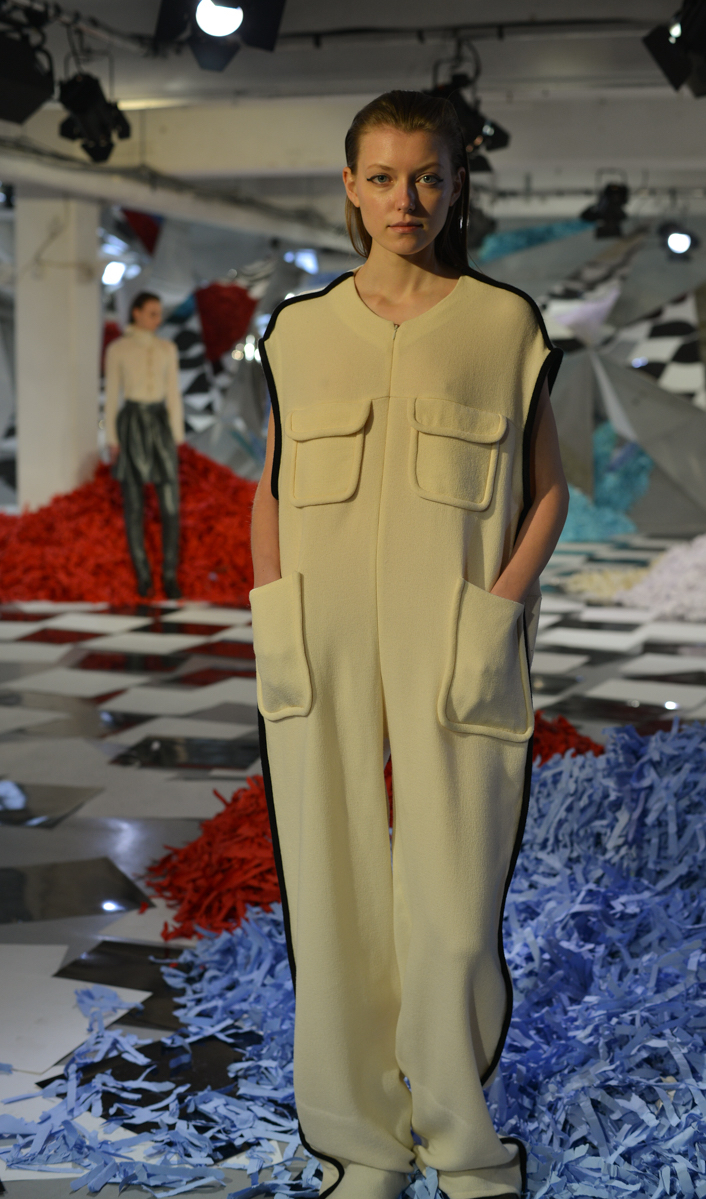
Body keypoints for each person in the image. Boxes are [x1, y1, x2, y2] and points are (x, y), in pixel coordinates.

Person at [250, 91, 569, 1199]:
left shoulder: (503, 325)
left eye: (427, 176)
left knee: (453, 895)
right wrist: (271, 604)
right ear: (349, 186)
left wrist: (500, 607)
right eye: (382, 177)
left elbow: (547, 490)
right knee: (329, 890)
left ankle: (459, 1135)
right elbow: (271, 483)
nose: (406, 199)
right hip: (317, 630)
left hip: (456, 630)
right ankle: (361, 1145)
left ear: (456, 183)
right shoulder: (297, 332)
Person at [105, 291, 184, 599]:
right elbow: (112, 397)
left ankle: (169, 575)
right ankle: (143, 575)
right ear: (136, 312)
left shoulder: (167, 348)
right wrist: (112, 440)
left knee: (170, 506)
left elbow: (174, 394)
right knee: (134, 506)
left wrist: (177, 437)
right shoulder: (118, 349)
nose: (157, 319)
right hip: (132, 423)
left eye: (159, 313)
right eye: (152, 313)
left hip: (160, 424)